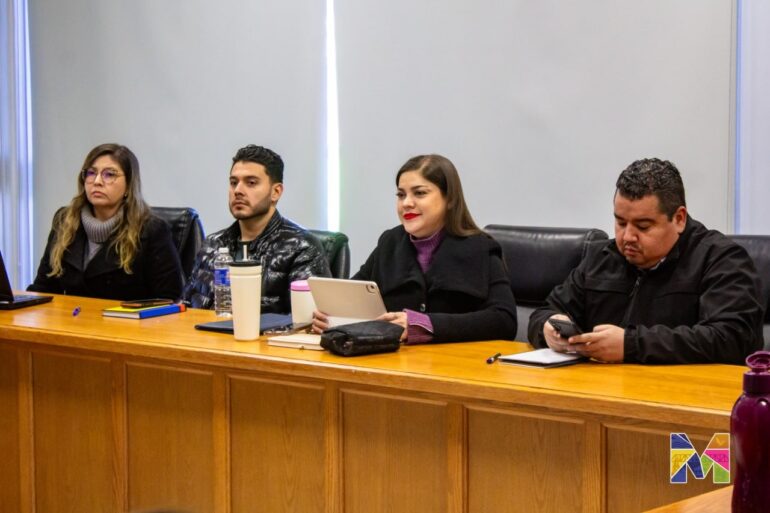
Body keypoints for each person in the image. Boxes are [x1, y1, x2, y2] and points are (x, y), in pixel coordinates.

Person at [528, 158, 764, 364]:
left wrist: (630, 345)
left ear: (679, 219)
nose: (627, 237)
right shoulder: (601, 257)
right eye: (620, 223)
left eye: (643, 226)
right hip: (601, 390)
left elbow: (733, 338)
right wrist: (548, 328)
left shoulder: (720, 259)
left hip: (681, 393)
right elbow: (545, 312)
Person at [312, 154, 517, 343]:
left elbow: (504, 321)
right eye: (401, 195)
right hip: (392, 362)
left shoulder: (481, 247)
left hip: (456, 363)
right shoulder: (390, 242)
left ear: (450, 199)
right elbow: (351, 297)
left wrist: (423, 324)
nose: (407, 203)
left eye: (420, 193)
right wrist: (332, 317)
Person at [182, 144, 330, 313]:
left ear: (276, 192)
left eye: (251, 183)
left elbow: (306, 320)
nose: (238, 190)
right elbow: (186, 307)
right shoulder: (213, 244)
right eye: (233, 183)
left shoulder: (302, 247)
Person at [28, 143, 183, 300]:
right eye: (91, 173)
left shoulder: (151, 230)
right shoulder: (64, 220)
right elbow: (43, 288)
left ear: (128, 186)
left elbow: (169, 300)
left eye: (109, 175)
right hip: (73, 315)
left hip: (126, 316)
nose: (97, 181)